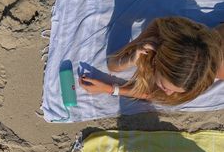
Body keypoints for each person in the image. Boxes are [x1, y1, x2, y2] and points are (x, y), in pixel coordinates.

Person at [79, 17, 224, 105]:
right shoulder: (164, 30)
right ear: (157, 61)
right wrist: (131, 59)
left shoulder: (201, 77)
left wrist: (110, 89)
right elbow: (113, 65)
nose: (167, 93)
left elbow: (152, 95)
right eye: (164, 85)